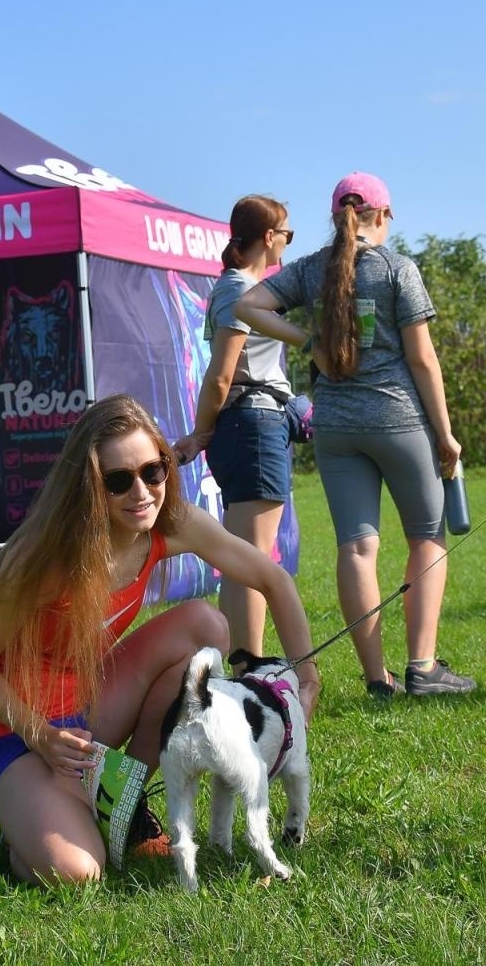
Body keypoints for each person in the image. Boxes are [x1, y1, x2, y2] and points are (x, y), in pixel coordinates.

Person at [0, 394, 321, 885]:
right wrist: (40, 736)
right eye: (118, 481)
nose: (142, 492)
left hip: (88, 707)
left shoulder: (171, 523)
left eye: (154, 470)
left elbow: (274, 580)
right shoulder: (45, 560)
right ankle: (28, 829)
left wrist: (307, 679)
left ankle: (121, 807)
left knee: (204, 627)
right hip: (15, 731)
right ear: (87, 487)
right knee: (79, 872)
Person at [235, 172, 475, 700]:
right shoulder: (397, 269)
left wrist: (310, 342)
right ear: (382, 216)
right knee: (427, 539)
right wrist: (447, 433)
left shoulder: (312, 269)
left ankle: (376, 679)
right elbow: (422, 359)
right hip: (399, 421)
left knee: (358, 548)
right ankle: (423, 667)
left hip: (336, 425)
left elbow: (247, 305)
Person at [172, 195, 299, 656]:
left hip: (250, 425)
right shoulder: (239, 290)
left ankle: (240, 662)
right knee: (251, 560)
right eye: (288, 233)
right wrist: (200, 433)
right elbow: (221, 374)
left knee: (244, 557)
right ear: (269, 237)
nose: (288, 242)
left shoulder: (238, 287)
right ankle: (249, 668)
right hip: (251, 426)